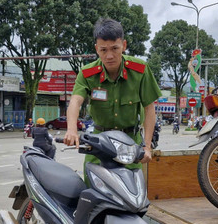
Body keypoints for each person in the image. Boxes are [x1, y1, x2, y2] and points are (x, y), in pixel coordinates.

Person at [64, 18, 161, 168]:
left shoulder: (140, 70)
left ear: (124, 45)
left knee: (132, 182)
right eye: (103, 50)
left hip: (130, 145)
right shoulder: (87, 73)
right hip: (99, 144)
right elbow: (75, 101)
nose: (109, 56)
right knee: (92, 180)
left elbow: (149, 108)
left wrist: (147, 147)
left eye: (115, 48)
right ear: (97, 49)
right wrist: (71, 130)